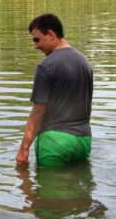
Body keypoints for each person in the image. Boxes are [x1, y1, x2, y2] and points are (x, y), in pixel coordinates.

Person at [16, 13, 93, 168]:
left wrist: (23, 149)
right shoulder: (85, 62)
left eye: (37, 39)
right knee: (80, 191)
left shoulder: (46, 66)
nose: (35, 45)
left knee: (49, 191)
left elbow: (38, 111)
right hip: (84, 140)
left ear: (51, 34)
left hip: (55, 142)